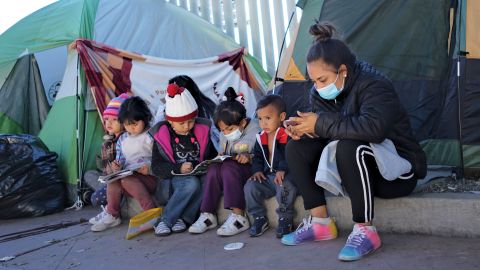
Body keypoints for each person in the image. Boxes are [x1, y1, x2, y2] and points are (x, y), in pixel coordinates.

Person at [281, 22, 426, 261]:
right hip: (356, 172)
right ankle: (320, 223)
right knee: (297, 147)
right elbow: (329, 131)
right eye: (313, 80)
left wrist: (320, 124)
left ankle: (365, 230)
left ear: (343, 71)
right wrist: (306, 130)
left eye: (322, 79)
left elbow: (373, 130)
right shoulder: (320, 92)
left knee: (350, 145)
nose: (317, 87)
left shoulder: (375, 85)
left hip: (396, 173)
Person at [188, 87, 261, 236]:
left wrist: (248, 156)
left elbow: (262, 153)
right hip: (232, 169)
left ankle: (239, 216)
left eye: (229, 128)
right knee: (214, 167)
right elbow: (226, 152)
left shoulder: (256, 128)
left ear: (241, 123)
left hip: (253, 169)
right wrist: (221, 155)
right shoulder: (224, 134)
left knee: (228, 167)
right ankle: (207, 214)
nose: (226, 133)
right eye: (223, 130)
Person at [151, 83, 217, 236]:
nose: (187, 126)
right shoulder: (162, 136)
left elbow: (211, 156)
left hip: (196, 174)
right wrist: (178, 169)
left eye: (191, 121)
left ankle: (185, 219)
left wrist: (209, 163)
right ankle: (165, 220)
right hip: (172, 181)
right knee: (191, 183)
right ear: (170, 122)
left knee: (208, 180)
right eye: (181, 123)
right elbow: (156, 167)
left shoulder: (201, 132)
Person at [89, 95, 157, 232]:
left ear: (145, 119)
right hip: (130, 178)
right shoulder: (122, 139)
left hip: (150, 178)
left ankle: (152, 213)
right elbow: (121, 158)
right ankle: (112, 215)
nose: (131, 128)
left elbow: (161, 158)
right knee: (114, 180)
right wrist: (117, 166)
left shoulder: (151, 136)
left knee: (126, 180)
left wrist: (149, 168)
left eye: (135, 124)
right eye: (127, 125)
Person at [244, 95, 297, 238]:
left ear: (282, 116)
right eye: (260, 119)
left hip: (286, 175)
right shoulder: (261, 137)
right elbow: (258, 157)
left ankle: (285, 218)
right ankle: (259, 218)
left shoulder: (287, 134)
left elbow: (290, 154)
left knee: (286, 186)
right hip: (268, 178)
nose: (263, 123)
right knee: (250, 186)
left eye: (268, 118)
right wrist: (257, 171)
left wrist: (282, 169)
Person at [87, 93, 128, 208]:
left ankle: (110, 199)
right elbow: (106, 170)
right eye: (106, 119)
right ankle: (102, 193)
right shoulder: (107, 142)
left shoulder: (126, 139)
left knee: (95, 198)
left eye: (114, 119)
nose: (108, 123)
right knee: (89, 174)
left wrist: (115, 170)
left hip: (121, 179)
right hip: (109, 178)